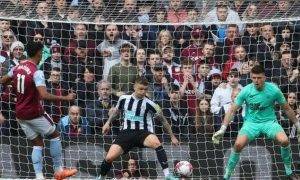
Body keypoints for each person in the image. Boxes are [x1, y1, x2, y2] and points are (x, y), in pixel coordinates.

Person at [0, 42, 78, 180]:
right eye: (42, 52)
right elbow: (44, 95)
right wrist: (66, 97)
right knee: (55, 135)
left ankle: (39, 176)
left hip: (20, 113)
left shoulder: (17, 67)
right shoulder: (37, 72)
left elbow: (3, 80)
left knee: (38, 143)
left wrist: (13, 85)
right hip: (33, 112)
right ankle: (59, 171)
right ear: (39, 53)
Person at [212, 65, 300, 180]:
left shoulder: (274, 90)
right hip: (251, 124)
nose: (256, 80)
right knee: (238, 145)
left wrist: (298, 125)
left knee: (284, 140)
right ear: (250, 77)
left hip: (269, 122)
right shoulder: (246, 90)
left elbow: (287, 108)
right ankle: (226, 176)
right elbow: (232, 110)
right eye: (254, 78)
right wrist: (223, 128)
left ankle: (289, 172)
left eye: (259, 78)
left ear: (264, 77)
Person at [97, 77, 179, 180]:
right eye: (141, 89)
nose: (143, 92)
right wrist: (107, 123)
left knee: (157, 144)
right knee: (109, 158)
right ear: (134, 87)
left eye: (145, 89)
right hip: (126, 133)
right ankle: (101, 177)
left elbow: (163, 120)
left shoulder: (151, 104)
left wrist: (172, 136)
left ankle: (167, 175)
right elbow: (116, 113)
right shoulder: (123, 99)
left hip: (143, 132)